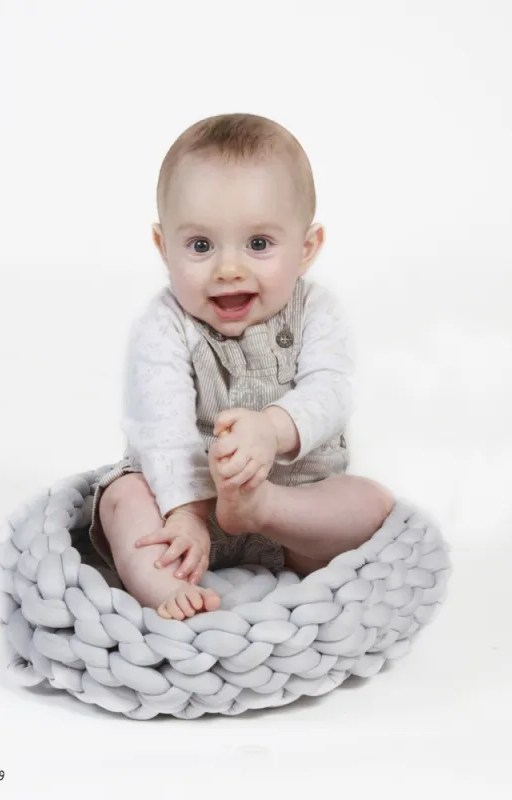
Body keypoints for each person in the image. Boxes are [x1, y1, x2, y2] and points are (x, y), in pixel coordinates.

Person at [88, 112, 395, 620]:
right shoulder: (163, 325)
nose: (229, 269)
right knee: (120, 499)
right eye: (201, 246)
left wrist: (272, 432)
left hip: (292, 509)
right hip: (183, 513)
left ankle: (263, 509)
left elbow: (331, 392)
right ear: (165, 249)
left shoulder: (318, 311)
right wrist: (185, 514)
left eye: (258, 244)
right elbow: (160, 426)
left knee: (370, 503)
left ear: (306, 249)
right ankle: (162, 587)